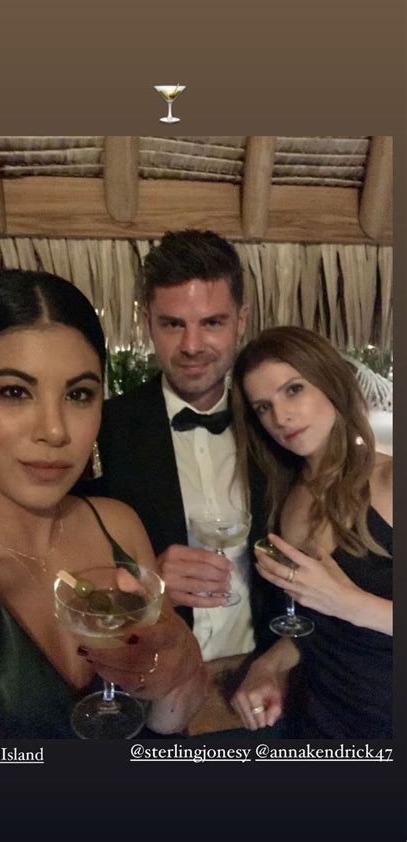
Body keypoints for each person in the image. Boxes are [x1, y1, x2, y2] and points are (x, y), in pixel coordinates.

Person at [0, 269, 207, 740]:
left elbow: (169, 723)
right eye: (15, 392)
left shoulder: (118, 527)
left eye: (79, 394)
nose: (57, 430)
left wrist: (181, 665)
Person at [93, 230, 277, 662]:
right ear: (147, 322)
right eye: (173, 324)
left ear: (242, 320)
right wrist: (148, 587)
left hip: (263, 682)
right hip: (156, 681)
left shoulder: (275, 423)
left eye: (212, 322)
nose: (192, 346)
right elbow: (64, 570)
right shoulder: (107, 429)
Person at [230, 326, 392, 738]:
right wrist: (268, 664)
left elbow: (340, 608)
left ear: (330, 382)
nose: (281, 417)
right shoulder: (290, 500)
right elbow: (317, 626)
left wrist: (349, 601)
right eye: (263, 407)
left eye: (293, 390)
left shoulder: (390, 478)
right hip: (320, 719)